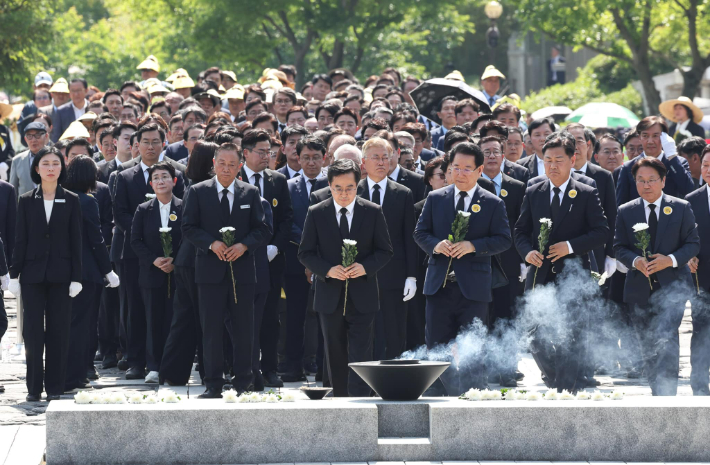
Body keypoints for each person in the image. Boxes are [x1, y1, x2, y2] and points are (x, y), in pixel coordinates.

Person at [414, 142, 511, 395]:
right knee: (436, 347)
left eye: (467, 168)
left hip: (474, 289)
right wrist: (437, 245)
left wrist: (473, 246)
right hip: (439, 286)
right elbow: (420, 233)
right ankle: (437, 396)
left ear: (479, 170)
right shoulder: (436, 199)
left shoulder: (492, 202)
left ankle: (472, 397)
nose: (460, 173)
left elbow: (503, 239)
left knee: (472, 349)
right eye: (456, 167)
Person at [514, 132, 609, 393]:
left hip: (573, 274)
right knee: (535, 335)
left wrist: (569, 246)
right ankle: (554, 376)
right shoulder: (534, 190)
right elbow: (520, 231)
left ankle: (566, 391)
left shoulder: (586, 191)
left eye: (558, 160)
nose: (552, 166)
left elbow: (601, 231)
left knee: (572, 334)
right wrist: (527, 252)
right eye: (547, 161)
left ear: (572, 159)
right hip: (540, 275)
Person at [298, 158, 393, 397]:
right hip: (330, 294)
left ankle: (361, 401)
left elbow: (385, 251)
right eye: (338, 188)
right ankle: (340, 402)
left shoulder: (372, 211)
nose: (343, 193)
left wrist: (365, 267)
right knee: (334, 352)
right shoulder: (317, 212)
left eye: (349, 188)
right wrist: (327, 270)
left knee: (362, 353)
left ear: (358, 184)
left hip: (363, 293)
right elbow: (305, 252)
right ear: (329, 185)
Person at [182, 143, 270, 398]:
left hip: (242, 272)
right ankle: (213, 383)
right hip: (209, 272)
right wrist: (211, 244)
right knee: (211, 330)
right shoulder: (198, 191)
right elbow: (188, 227)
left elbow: (262, 229)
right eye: (222, 163)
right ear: (214, 163)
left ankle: (244, 382)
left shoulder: (250, 192)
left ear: (240, 165)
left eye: (232, 164)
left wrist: (244, 246)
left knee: (245, 329)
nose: (226, 169)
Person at [614, 157, 700, 396]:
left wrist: (670, 260)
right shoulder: (626, 211)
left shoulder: (681, 207)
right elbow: (619, 246)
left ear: (663, 181)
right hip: (638, 288)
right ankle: (656, 391)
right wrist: (635, 261)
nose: (646, 185)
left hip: (672, 287)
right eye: (640, 180)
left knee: (667, 339)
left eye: (652, 180)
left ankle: (668, 395)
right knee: (648, 342)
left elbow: (692, 244)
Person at [9, 147, 83, 402]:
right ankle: (33, 388)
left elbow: (77, 241)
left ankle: (55, 387)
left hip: (62, 276)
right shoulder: (26, 199)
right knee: (32, 332)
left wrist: (77, 276)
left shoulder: (72, 199)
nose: (50, 168)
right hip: (32, 275)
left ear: (62, 168)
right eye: (45, 163)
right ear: (37, 168)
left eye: (55, 163)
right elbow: (21, 239)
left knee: (58, 332)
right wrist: (14, 274)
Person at [114, 123, 185, 380]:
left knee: (169, 310)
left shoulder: (177, 172)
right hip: (137, 255)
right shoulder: (124, 175)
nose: (151, 146)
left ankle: (166, 361)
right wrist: (143, 233)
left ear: (163, 143)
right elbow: (119, 212)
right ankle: (136, 361)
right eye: (146, 141)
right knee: (136, 308)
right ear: (137, 145)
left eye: (156, 141)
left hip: (173, 258)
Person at [159, 142, 218, 386]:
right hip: (196, 261)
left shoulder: (193, 186)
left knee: (185, 319)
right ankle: (207, 371)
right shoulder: (203, 189)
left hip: (187, 260)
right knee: (202, 319)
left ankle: (173, 373)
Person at [239, 129, 293, 388]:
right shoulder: (233, 177)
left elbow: (285, 219)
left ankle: (269, 368)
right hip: (240, 259)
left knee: (270, 317)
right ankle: (241, 368)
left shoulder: (277, 180)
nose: (266, 157)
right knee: (240, 317)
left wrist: (275, 247)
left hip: (270, 261)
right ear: (245, 153)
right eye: (261, 152)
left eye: (270, 152)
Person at [62, 155, 119, 392]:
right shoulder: (87, 201)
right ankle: (76, 375)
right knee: (84, 326)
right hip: (87, 273)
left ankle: (68, 374)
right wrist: (108, 270)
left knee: (66, 325)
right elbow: (97, 240)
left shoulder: (60, 198)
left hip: (62, 272)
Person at [358, 137, 417, 361]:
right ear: (364, 161)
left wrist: (411, 276)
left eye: (386, 157)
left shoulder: (402, 193)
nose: (382, 162)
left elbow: (409, 237)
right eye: (376, 157)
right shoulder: (354, 191)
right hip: (362, 274)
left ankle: (395, 378)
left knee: (394, 331)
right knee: (366, 332)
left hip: (394, 274)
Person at [479, 136, 526, 387]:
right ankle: (485, 366)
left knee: (508, 315)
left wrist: (522, 259)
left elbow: (521, 226)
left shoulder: (517, 186)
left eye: (497, 151)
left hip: (509, 262)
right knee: (483, 315)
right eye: (486, 152)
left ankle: (507, 366)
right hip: (481, 261)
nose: (492, 156)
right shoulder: (472, 185)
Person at [130, 162, 182, 384]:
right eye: (156, 178)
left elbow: (189, 237)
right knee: (152, 320)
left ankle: (174, 366)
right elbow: (135, 241)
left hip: (178, 274)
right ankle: (153, 366)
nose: (161, 181)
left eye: (165, 177)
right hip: (151, 274)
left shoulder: (184, 206)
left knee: (175, 320)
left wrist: (176, 260)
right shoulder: (143, 209)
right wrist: (154, 260)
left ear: (174, 181)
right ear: (151, 183)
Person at [283, 135, 328, 382]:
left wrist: (317, 249)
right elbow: (285, 221)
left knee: (324, 315)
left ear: (325, 159)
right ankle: (293, 366)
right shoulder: (288, 186)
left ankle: (324, 366)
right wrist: (306, 245)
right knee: (294, 316)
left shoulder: (332, 185)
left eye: (316, 158)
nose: (311, 163)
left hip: (325, 261)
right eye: (306, 158)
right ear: (297, 158)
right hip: (295, 261)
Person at [616, 116, 694, 206]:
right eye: (645, 136)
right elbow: (621, 204)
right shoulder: (628, 167)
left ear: (664, 137)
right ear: (640, 137)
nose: (650, 141)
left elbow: (687, 190)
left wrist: (672, 156)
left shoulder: (677, 162)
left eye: (655, 136)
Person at [685, 146, 710, 395]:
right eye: (705, 165)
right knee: (702, 331)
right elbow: (683, 239)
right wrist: (687, 257)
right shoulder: (690, 201)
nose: (708, 170)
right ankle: (700, 385)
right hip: (703, 279)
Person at [11, 122, 50, 197]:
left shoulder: (55, 157)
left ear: (46, 136)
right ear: (25, 139)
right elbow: (13, 190)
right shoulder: (17, 160)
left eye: (37, 135)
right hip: (25, 207)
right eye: (29, 136)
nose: (33, 140)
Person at [51, 78, 90, 143]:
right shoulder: (61, 111)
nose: (76, 94)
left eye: (79, 90)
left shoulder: (93, 108)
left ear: (86, 91)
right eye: (73, 91)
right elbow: (56, 136)